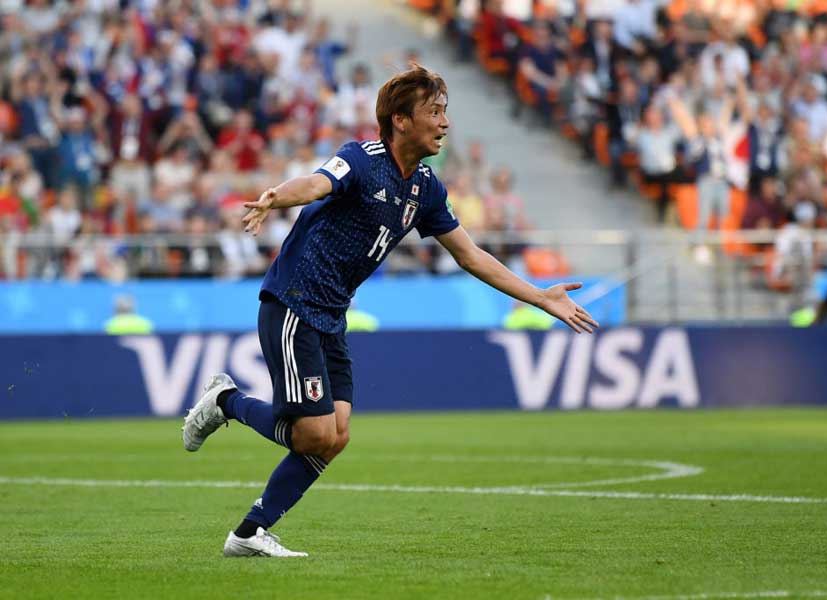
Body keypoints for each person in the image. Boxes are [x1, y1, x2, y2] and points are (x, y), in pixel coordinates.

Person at [181, 66, 597, 558]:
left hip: (332, 315)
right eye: (434, 112)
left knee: (335, 436)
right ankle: (225, 401)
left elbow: (470, 255)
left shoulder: (425, 187)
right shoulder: (361, 159)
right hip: (294, 303)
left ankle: (248, 534)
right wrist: (276, 197)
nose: (444, 123)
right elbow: (316, 183)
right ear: (400, 120)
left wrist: (540, 296)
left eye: (446, 112)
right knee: (312, 432)